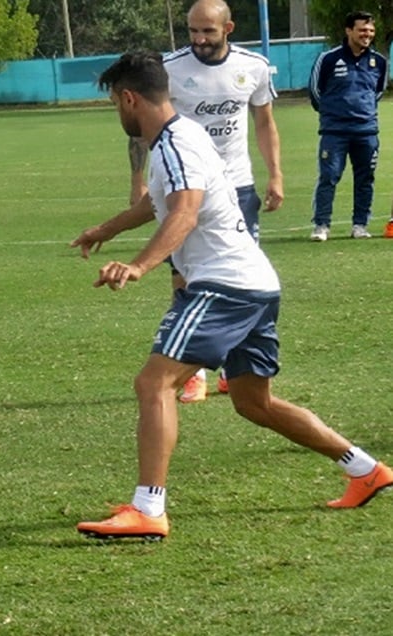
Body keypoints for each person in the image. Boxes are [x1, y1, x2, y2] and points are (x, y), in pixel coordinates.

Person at [69, 50, 392, 540]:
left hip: (225, 285)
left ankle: (148, 508)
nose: (117, 111)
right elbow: (159, 203)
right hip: (254, 283)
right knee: (252, 403)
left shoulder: (175, 144)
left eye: (115, 102)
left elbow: (184, 212)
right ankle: (365, 469)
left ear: (129, 98)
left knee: (154, 383)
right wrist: (104, 230)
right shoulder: (182, 137)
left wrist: (138, 265)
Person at [129, 0, 283, 403]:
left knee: (235, 275)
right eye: (193, 31)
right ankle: (191, 368)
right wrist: (138, 182)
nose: (198, 40)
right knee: (185, 275)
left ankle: (239, 370)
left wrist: (276, 174)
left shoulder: (254, 67)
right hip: (184, 182)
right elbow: (142, 127)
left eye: (208, 32)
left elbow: (264, 122)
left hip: (236, 185)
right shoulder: (170, 69)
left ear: (228, 28)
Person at [308, 10, 388, 241]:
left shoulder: (379, 61)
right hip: (335, 132)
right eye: (362, 29)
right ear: (349, 30)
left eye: (371, 31)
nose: (367, 34)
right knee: (329, 176)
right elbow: (315, 91)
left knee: (365, 179)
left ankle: (360, 225)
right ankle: (321, 225)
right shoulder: (329, 58)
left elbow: (378, 91)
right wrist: (332, 114)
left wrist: (364, 112)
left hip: (367, 131)